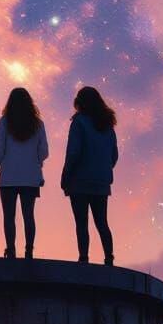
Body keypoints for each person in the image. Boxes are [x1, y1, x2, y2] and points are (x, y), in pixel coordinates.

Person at [61, 86, 118, 265]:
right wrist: (103, 169)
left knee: (81, 223)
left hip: (79, 181)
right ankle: (109, 258)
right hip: (101, 182)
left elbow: (73, 152)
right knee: (102, 222)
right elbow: (114, 155)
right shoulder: (108, 125)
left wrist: (66, 175)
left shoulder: (79, 122)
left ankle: (83, 258)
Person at [0, 87, 48, 259]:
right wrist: (37, 163)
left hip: (8, 177)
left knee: (9, 216)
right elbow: (44, 151)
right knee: (29, 215)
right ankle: (29, 250)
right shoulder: (38, 124)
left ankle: (10, 250)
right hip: (30, 178)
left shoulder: (4, 122)